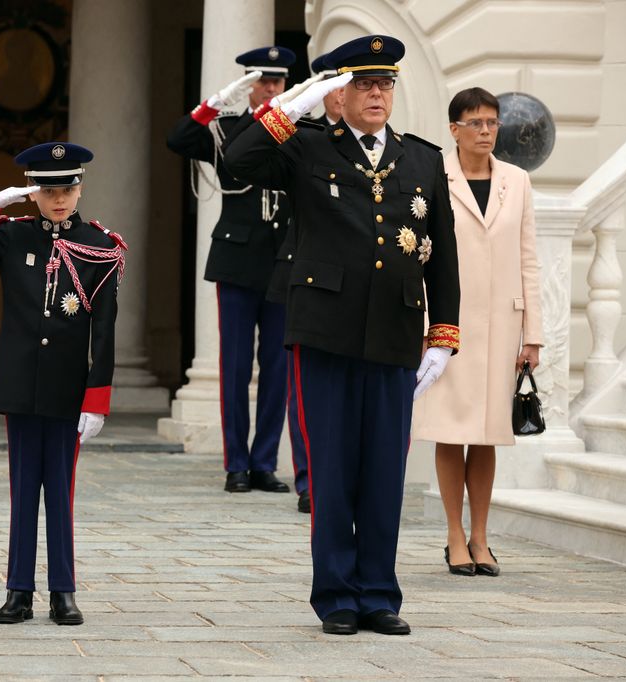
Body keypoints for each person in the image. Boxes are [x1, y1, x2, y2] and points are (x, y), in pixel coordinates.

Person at [224, 34, 461, 636]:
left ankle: (379, 592)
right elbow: (236, 162)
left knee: (384, 470)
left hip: (394, 332)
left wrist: (443, 333)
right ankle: (335, 595)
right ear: (341, 91)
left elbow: (444, 257)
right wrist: (295, 106)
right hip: (325, 331)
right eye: (363, 84)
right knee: (331, 468)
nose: (377, 94)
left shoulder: (423, 159)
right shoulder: (306, 148)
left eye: (385, 85)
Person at [0, 142, 125, 626]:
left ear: (80, 187)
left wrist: (98, 398)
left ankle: (62, 591)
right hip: (22, 386)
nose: (58, 198)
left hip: (69, 390)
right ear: (34, 192)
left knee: (60, 494)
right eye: (47, 190)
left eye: (66, 188)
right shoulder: (12, 237)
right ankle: (18, 591)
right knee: (23, 492)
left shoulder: (102, 247)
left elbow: (104, 331)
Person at [412, 87, 543, 578]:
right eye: (476, 123)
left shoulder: (518, 181)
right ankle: (453, 536)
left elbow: (529, 258)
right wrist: (423, 327)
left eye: (492, 123)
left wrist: (533, 335)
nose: (486, 131)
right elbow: (420, 254)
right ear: (455, 129)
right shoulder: (432, 176)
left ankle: (481, 538)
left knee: (487, 435)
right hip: (448, 324)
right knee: (450, 431)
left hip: (503, 327)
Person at [166, 46, 297, 495]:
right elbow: (179, 139)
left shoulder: (296, 130)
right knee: (235, 367)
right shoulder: (226, 130)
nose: (271, 89)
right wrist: (213, 104)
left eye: (278, 82)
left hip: (283, 262)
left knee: (277, 369)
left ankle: (264, 463)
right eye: (264, 81)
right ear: (249, 84)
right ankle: (236, 463)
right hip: (238, 260)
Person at [261, 51, 343, 513]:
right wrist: (292, 106)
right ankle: (310, 479)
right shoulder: (303, 138)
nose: (335, 95)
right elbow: (246, 156)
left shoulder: (384, 144)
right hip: (304, 272)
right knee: (303, 387)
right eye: (327, 87)